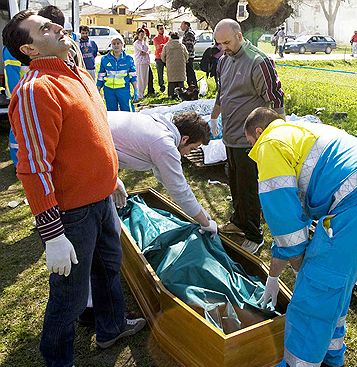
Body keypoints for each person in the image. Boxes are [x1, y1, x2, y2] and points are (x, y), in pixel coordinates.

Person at [3, 9, 146, 367]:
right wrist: (52, 234)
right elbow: (32, 167)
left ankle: (110, 326)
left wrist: (111, 176)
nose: (57, 27)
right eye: (44, 28)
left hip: (101, 200)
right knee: (69, 291)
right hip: (71, 213)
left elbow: (91, 134)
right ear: (29, 48)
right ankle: (58, 360)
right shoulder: (35, 90)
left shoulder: (78, 73)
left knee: (108, 268)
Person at [228, 107, 357, 367]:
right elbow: (294, 219)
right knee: (337, 284)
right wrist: (275, 274)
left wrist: (299, 266)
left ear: (254, 133)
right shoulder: (300, 133)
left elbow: (283, 218)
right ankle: (332, 356)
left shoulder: (269, 143)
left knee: (311, 300)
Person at [210, 19, 285, 254]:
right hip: (230, 135)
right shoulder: (223, 61)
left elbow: (276, 99)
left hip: (250, 139)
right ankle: (239, 220)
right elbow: (222, 94)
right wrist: (214, 118)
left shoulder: (258, 62)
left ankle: (254, 233)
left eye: (227, 42)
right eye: (219, 43)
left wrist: (281, 135)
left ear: (240, 36)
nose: (223, 48)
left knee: (249, 187)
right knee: (234, 182)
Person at [107, 110, 217, 234]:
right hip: (87, 147)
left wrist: (200, 212)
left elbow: (164, 177)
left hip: (94, 138)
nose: (188, 153)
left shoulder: (160, 126)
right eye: (192, 149)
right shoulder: (165, 145)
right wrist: (205, 223)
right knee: (109, 227)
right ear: (185, 139)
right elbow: (179, 190)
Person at [2, 46, 28, 167]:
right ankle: (19, 164)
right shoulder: (12, 48)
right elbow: (12, 73)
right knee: (18, 127)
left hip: (29, 94)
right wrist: (18, 96)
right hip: (21, 95)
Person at [97, 35, 137, 111]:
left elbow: (133, 76)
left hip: (123, 90)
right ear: (111, 45)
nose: (116, 45)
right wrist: (98, 90)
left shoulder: (128, 59)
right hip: (109, 91)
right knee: (112, 113)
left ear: (122, 44)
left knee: (127, 112)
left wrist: (136, 89)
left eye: (118, 43)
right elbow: (101, 76)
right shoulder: (105, 59)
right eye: (114, 43)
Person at [161, 31, 189, 99]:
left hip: (170, 66)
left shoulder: (166, 46)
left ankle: (171, 95)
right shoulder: (182, 46)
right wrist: (185, 61)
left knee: (171, 81)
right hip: (180, 66)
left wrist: (166, 62)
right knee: (180, 80)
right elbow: (187, 55)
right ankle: (182, 95)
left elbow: (162, 57)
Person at [133, 28, 151, 99]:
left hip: (146, 62)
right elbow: (143, 51)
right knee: (140, 79)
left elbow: (148, 51)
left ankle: (142, 92)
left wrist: (146, 52)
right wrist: (146, 52)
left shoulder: (145, 42)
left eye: (143, 34)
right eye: (141, 35)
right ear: (138, 35)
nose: (142, 36)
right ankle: (139, 94)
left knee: (145, 79)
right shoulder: (136, 43)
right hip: (140, 62)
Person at [181, 21, 197, 88]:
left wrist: (186, 56)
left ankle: (193, 85)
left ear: (186, 25)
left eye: (182, 25)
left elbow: (189, 46)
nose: (181, 27)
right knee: (188, 71)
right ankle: (191, 85)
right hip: (188, 56)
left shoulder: (189, 33)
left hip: (189, 56)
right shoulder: (186, 33)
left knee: (190, 71)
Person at [153, 23, 169, 93]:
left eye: (163, 28)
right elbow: (157, 47)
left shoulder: (167, 37)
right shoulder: (155, 38)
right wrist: (164, 45)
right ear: (157, 30)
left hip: (167, 57)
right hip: (159, 57)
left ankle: (171, 85)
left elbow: (169, 46)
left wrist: (163, 45)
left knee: (170, 72)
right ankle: (161, 86)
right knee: (160, 73)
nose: (162, 30)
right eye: (161, 29)